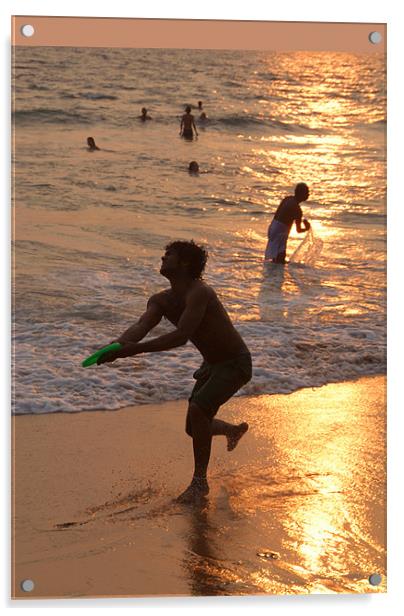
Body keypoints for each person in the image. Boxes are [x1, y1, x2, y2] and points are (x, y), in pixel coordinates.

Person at [97, 240, 252, 503]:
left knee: (198, 410)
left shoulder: (200, 292)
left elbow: (181, 336)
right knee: (194, 428)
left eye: (169, 255)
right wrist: (117, 345)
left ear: (185, 263)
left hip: (235, 363)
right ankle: (231, 430)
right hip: (211, 365)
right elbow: (141, 325)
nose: (163, 258)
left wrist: (132, 351)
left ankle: (199, 484)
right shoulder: (160, 300)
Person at [265, 183, 311, 263]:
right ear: (301, 194)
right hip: (281, 232)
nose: (308, 194)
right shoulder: (297, 209)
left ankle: (271, 274)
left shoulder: (287, 199)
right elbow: (298, 230)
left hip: (273, 227)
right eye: (307, 192)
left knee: (274, 259)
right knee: (280, 260)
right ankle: (275, 274)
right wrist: (307, 228)